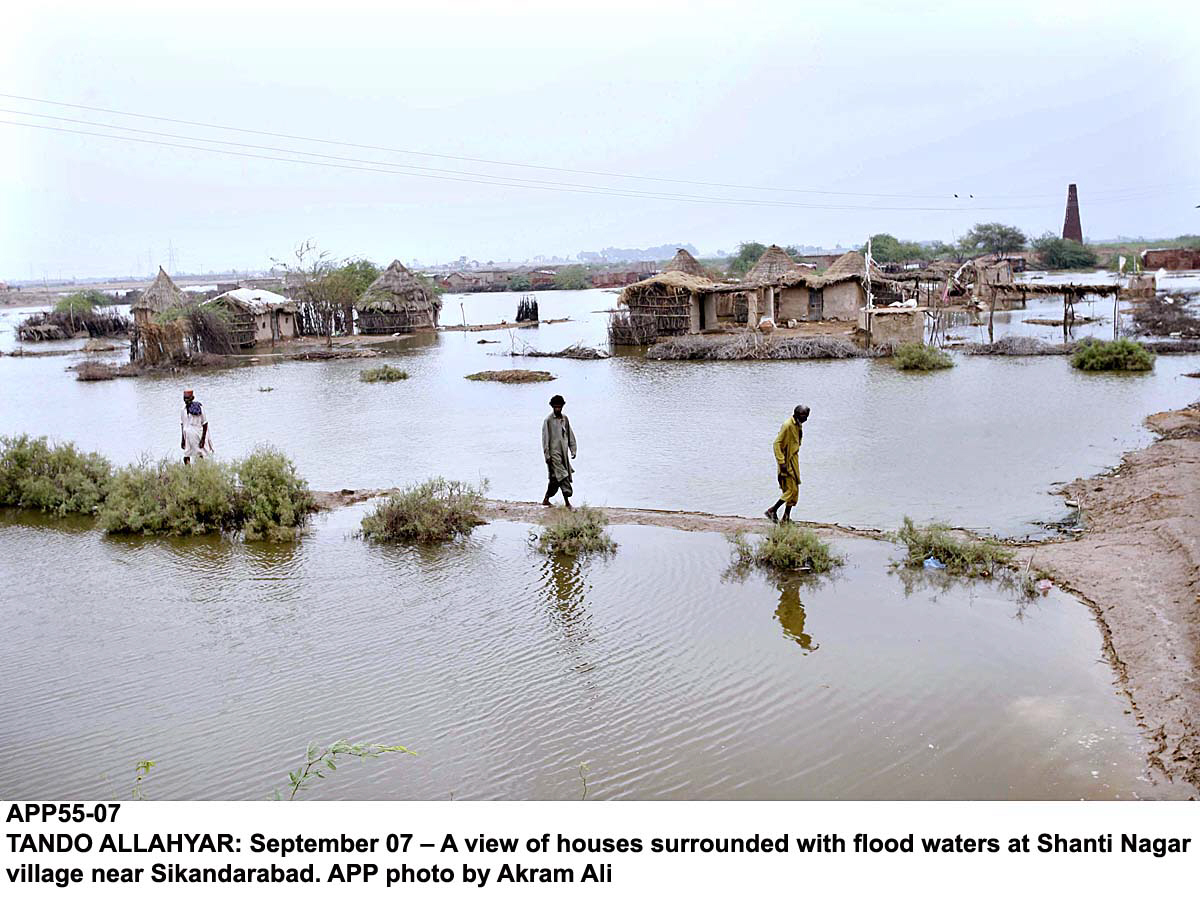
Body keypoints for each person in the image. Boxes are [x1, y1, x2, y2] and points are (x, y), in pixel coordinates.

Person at [766, 404, 809, 524]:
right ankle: (772, 510)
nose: (805, 418)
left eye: (806, 416)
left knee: (794, 491)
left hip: (794, 460)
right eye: (802, 415)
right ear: (795, 413)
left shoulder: (798, 425)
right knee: (790, 490)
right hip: (786, 461)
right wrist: (782, 462)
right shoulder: (787, 425)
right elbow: (776, 444)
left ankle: (786, 517)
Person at [541, 394, 577, 509]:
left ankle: (546, 499)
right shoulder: (548, 421)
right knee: (563, 476)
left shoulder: (564, 419)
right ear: (552, 407)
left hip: (563, 454)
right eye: (555, 407)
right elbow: (545, 439)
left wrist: (573, 449)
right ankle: (567, 502)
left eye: (559, 407)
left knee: (555, 479)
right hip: (553, 454)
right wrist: (547, 455)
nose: (557, 409)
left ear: (562, 406)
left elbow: (570, 434)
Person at [180, 389, 212, 464]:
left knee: (201, 454)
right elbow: (182, 424)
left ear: (192, 398)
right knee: (186, 455)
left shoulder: (199, 408)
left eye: (188, 398)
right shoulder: (183, 410)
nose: (186, 400)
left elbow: (205, 423)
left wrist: (203, 439)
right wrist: (183, 439)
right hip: (187, 435)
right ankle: (189, 473)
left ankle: (202, 471)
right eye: (185, 398)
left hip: (197, 435)